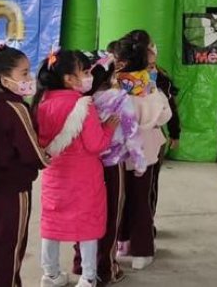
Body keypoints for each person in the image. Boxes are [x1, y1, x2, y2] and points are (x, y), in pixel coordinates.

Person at [34, 50, 117, 287]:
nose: (89, 76)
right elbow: (96, 144)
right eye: (85, 71)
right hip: (84, 177)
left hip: (55, 175)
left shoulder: (42, 101)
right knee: (87, 225)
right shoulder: (83, 104)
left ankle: (50, 274)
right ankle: (88, 276)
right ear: (69, 78)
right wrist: (108, 128)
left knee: (51, 223)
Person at [0, 43, 49, 287]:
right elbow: (33, 154)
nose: (30, 78)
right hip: (13, 187)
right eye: (24, 73)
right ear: (5, 80)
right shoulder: (16, 108)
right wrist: (48, 156)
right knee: (10, 244)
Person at [72, 54, 147, 284]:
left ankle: (80, 263)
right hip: (112, 165)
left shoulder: (80, 98)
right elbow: (132, 133)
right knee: (110, 216)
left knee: (84, 215)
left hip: (84, 166)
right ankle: (106, 268)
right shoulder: (119, 98)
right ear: (110, 75)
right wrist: (140, 162)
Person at [114, 35, 172, 270]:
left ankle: (123, 242)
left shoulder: (114, 85)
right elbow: (164, 115)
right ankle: (142, 251)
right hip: (145, 153)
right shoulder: (150, 88)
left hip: (117, 154)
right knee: (141, 201)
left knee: (121, 199)